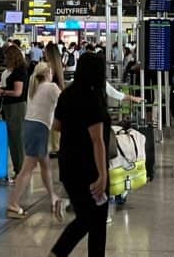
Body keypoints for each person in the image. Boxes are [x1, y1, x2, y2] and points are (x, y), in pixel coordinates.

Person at [49, 53, 110, 257]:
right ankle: (57, 253)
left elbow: (56, 126)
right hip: (89, 169)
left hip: (68, 165)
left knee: (90, 217)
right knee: (92, 220)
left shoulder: (67, 94)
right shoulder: (94, 97)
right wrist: (103, 175)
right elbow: (97, 140)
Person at [5, 62, 62, 219]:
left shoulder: (34, 87)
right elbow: (65, 102)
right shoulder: (51, 87)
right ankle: (13, 203)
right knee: (27, 168)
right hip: (39, 129)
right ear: (47, 73)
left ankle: (52, 197)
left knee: (45, 165)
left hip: (30, 125)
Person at [0, 45, 29, 177]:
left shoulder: (19, 71)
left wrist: (3, 91)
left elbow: (18, 92)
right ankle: (17, 168)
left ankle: (21, 169)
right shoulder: (14, 71)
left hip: (16, 106)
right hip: (10, 106)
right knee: (12, 138)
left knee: (17, 139)